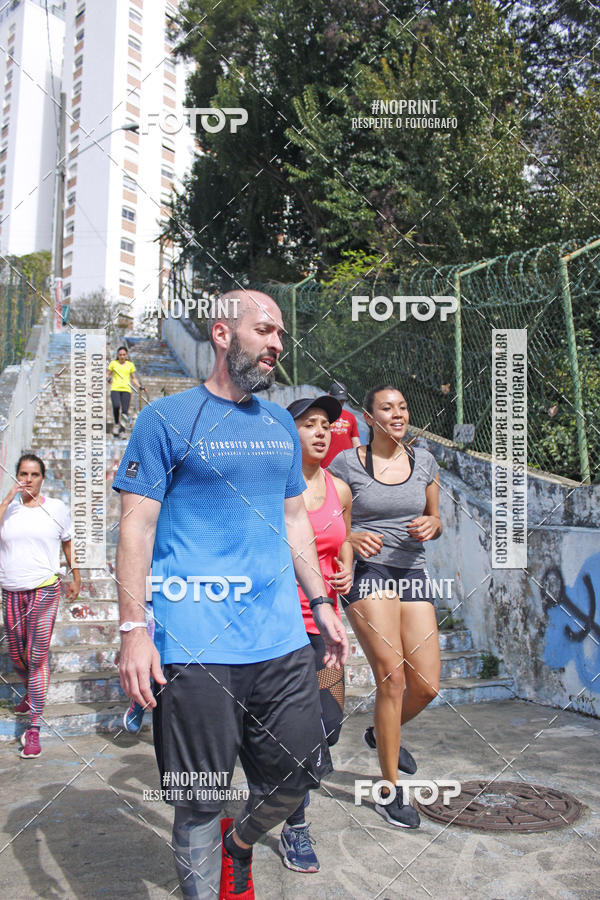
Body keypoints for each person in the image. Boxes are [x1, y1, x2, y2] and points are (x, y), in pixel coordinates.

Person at [113, 290, 348, 900]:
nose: (277, 344)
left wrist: (321, 604)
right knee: (198, 802)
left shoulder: (276, 425)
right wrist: (134, 632)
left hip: (279, 640)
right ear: (222, 334)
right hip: (194, 645)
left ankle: (238, 846)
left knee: (300, 771)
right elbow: (135, 526)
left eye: (280, 334)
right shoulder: (164, 419)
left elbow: (295, 518)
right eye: (265, 330)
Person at [328, 385, 442, 828]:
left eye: (402, 407)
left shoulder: (425, 461)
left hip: (411, 572)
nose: (397, 414)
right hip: (367, 573)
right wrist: (349, 537)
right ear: (369, 417)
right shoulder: (347, 464)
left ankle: (381, 732)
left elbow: (436, 518)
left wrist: (433, 523)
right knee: (391, 678)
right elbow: (327, 521)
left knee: (427, 685)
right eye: (386, 409)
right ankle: (389, 792)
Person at [281, 395, 354, 873]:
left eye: (327, 424)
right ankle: (295, 824)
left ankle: (277, 788)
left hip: (325, 626)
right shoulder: (269, 489)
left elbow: (343, 539)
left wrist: (346, 570)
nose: (322, 432)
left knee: (329, 725)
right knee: (296, 734)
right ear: (289, 433)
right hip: (280, 628)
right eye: (310, 424)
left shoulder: (340, 490)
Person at [0, 453, 81, 758]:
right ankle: (30, 692)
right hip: (11, 590)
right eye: (23, 474)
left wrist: (76, 576)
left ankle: (34, 727)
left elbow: (67, 543)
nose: (28, 479)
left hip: (45, 588)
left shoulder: (56, 508)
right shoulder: (8, 510)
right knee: (17, 654)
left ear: (43, 478)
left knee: (37, 655)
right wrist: (8, 498)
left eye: (34, 474)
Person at [106, 345, 145, 438]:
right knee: (116, 406)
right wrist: (108, 379)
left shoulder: (130, 365)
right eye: (120, 355)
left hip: (126, 389)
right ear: (118, 355)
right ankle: (116, 424)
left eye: (124, 354)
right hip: (115, 388)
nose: (122, 356)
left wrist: (140, 386)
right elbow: (106, 374)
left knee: (125, 410)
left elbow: (133, 378)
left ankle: (122, 430)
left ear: (126, 355)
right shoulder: (113, 363)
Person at [320, 381, 361, 468]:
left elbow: (355, 441)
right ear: (329, 395)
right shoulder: (322, 416)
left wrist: (361, 459)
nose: (340, 402)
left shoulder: (350, 417)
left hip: (347, 465)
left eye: (342, 400)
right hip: (326, 466)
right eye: (337, 399)